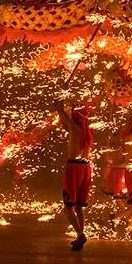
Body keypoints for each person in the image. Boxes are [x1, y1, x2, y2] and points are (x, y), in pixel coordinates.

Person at [55, 100, 94, 251]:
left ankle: (80, 234)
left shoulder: (75, 128)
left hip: (74, 168)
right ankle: (79, 237)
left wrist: (60, 107)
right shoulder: (87, 131)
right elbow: (66, 124)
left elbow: (67, 122)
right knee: (79, 207)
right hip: (86, 168)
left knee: (68, 207)